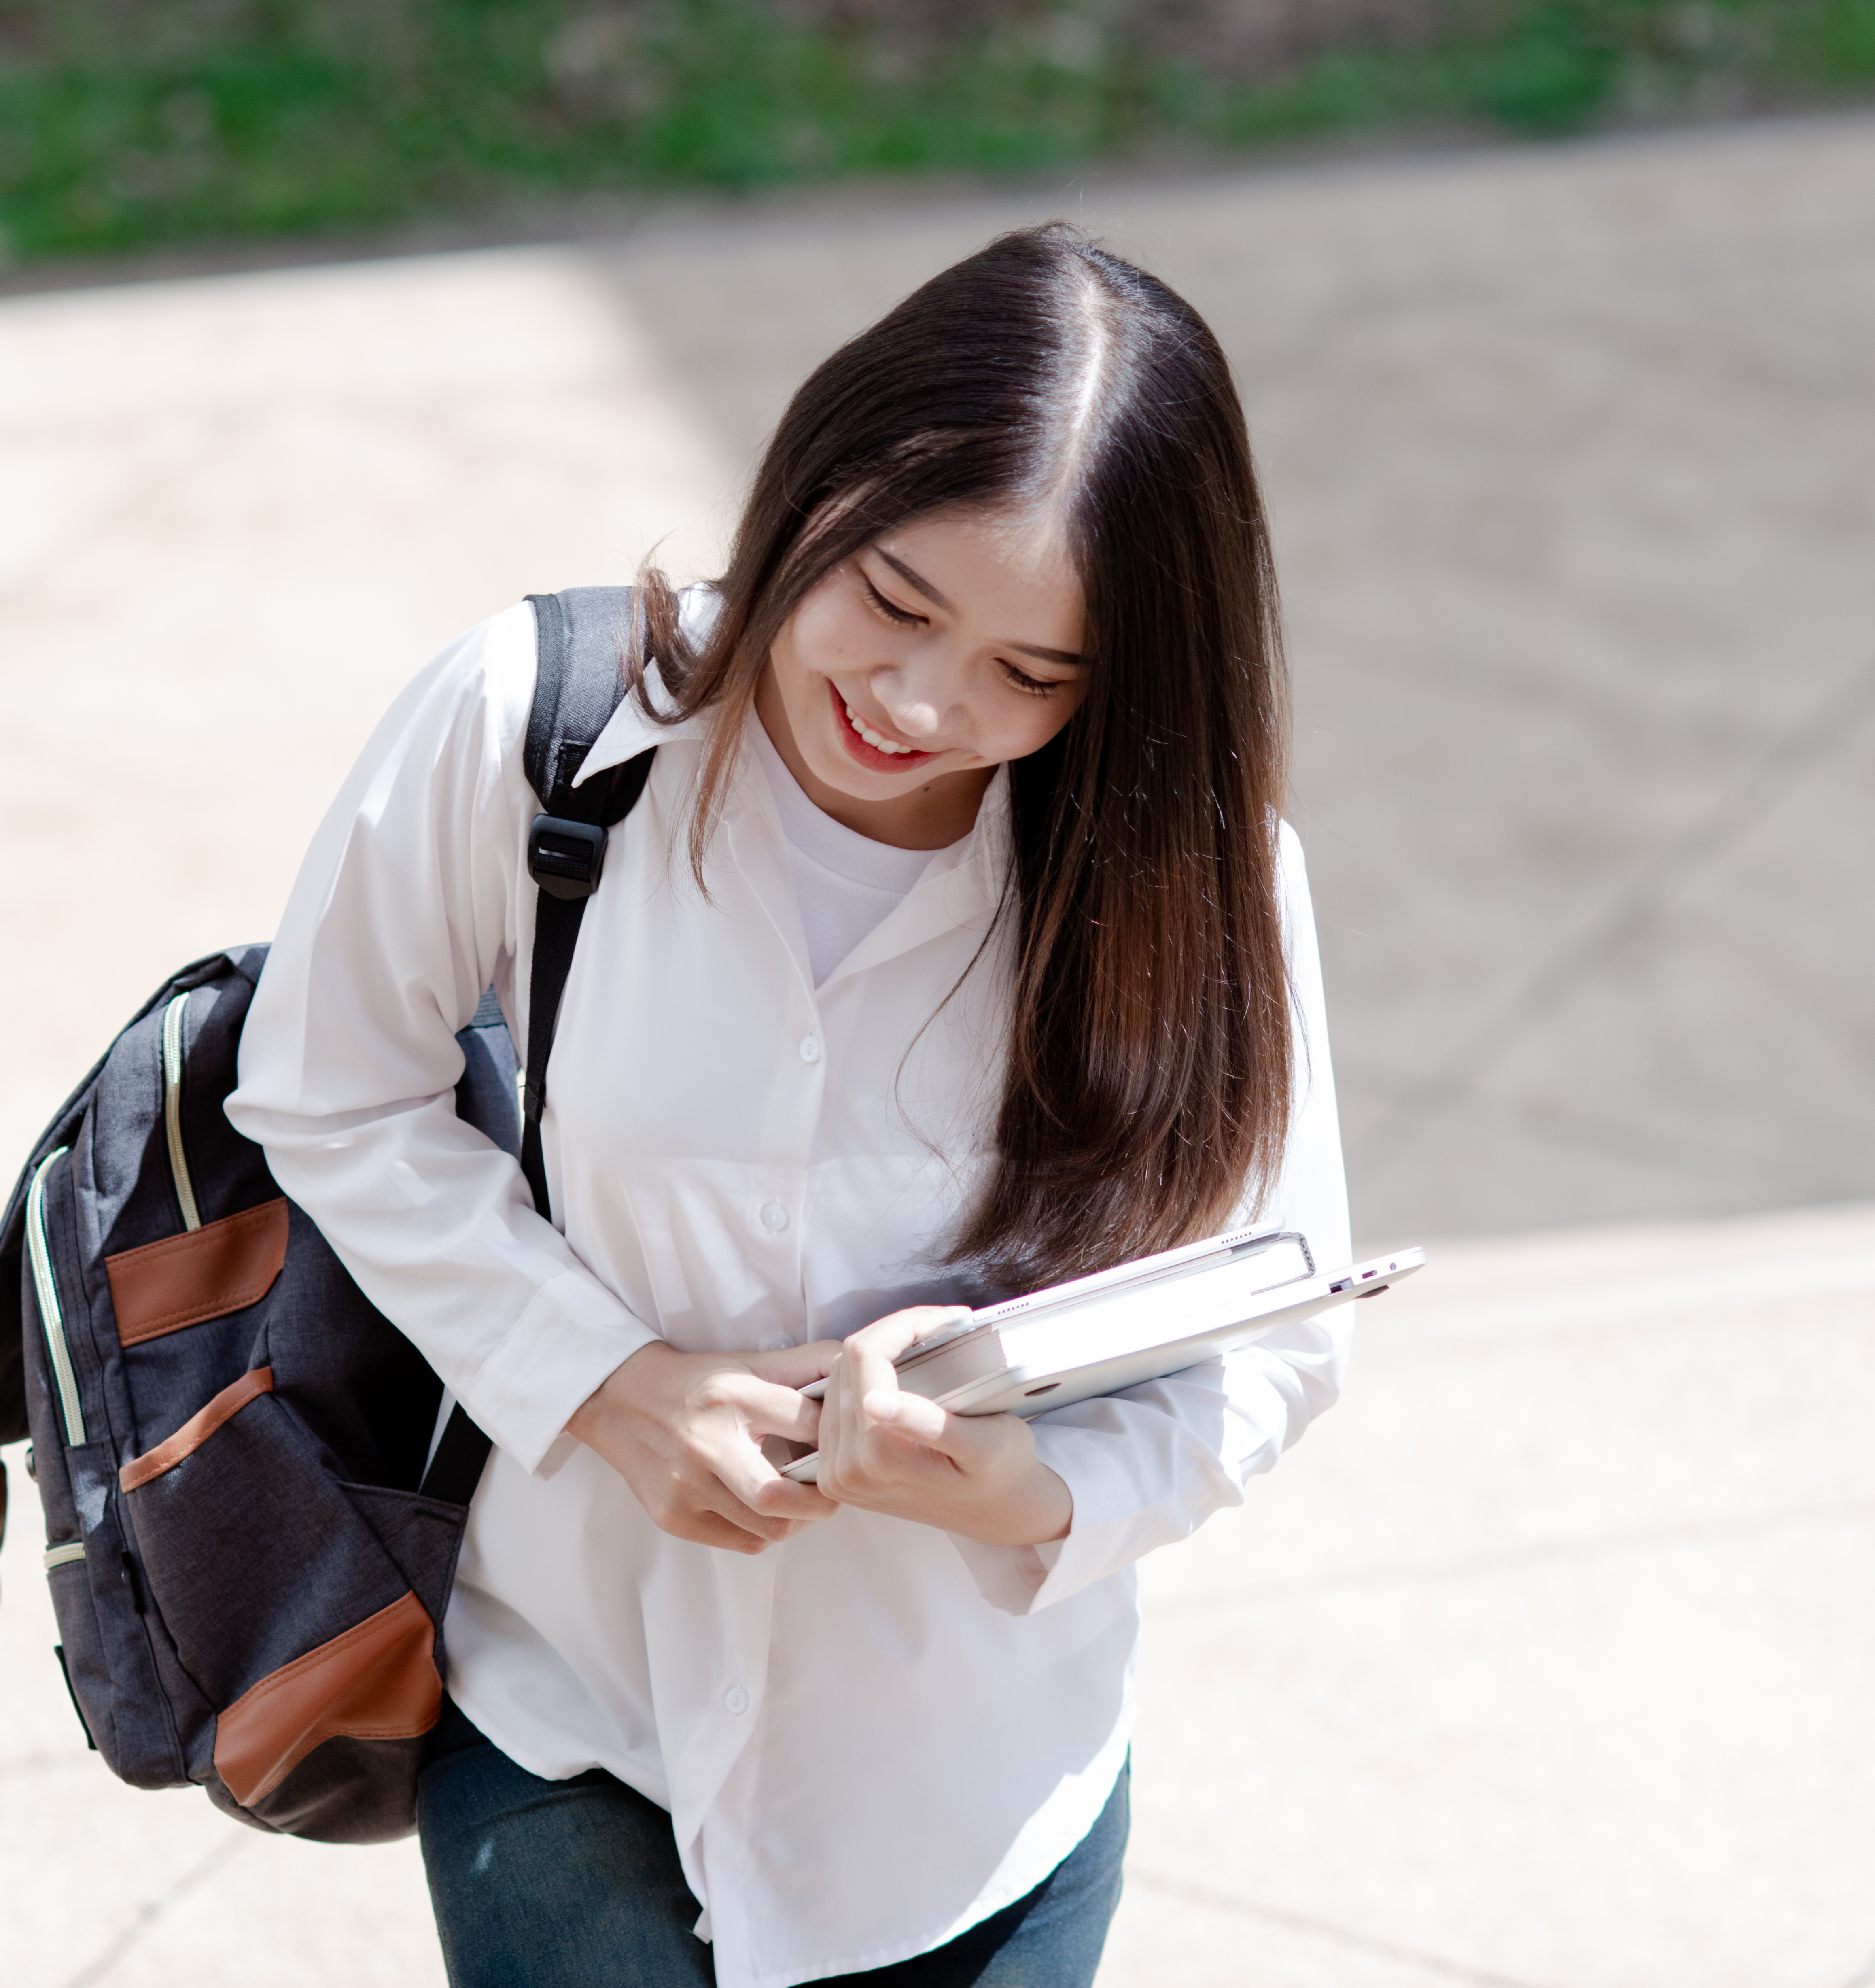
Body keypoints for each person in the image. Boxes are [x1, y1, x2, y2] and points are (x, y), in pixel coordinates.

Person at [227, 223, 1351, 1988]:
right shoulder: (535, 726)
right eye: (895, 600)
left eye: (1030, 678)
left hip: (967, 1800)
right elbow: (328, 1089)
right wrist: (604, 1387)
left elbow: (1279, 1333)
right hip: (575, 1709)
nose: (919, 703)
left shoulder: (1196, 883)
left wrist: (1019, 1492)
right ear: (817, 478)